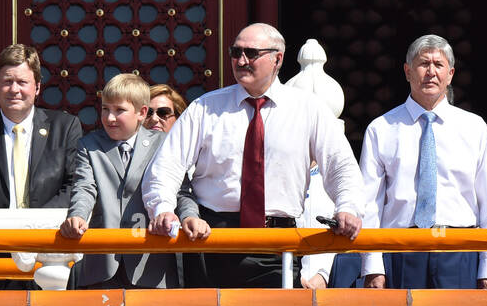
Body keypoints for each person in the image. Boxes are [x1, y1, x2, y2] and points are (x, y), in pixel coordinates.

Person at [142, 23, 363, 287]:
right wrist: (163, 209)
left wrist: (347, 207)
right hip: (209, 238)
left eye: (251, 53)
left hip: (277, 241)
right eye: (236, 53)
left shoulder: (308, 109)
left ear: (277, 59)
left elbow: (341, 167)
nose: (241, 60)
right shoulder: (205, 108)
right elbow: (167, 166)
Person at [361, 35, 487, 290]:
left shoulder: (473, 127)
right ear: (407, 71)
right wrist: (372, 265)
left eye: (438, 65)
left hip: (459, 248)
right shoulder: (381, 128)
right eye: (423, 64)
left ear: (450, 74)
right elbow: (370, 204)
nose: (431, 72)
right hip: (401, 248)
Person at [60, 74, 203, 288]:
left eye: (119, 110)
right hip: (102, 263)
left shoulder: (163, 143)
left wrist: (190, 216)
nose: (109, 118)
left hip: (152, 262)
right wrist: (77, 216)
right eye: (105, 109)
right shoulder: (89, 145)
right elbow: (84, 188)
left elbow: (180, 191)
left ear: (141, 112)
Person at [0, 44, 83, 210]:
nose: (14, 90)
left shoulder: (65, 128)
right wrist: (2, 224)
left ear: (37, 87)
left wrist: (36, 223)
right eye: (7, 82)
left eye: (22, 82)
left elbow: (75, 185)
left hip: (48, 231)